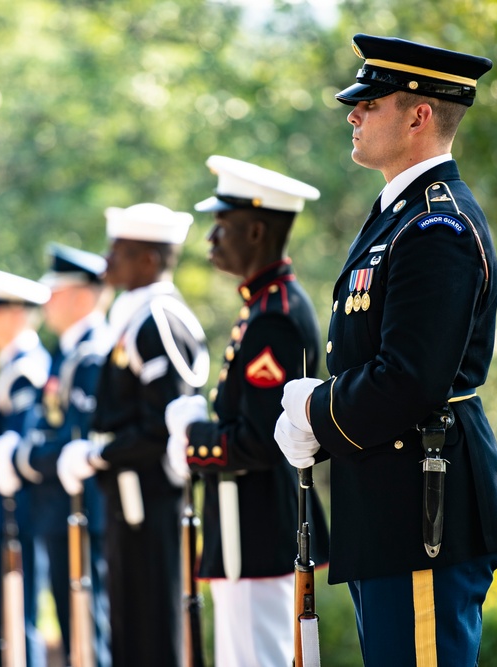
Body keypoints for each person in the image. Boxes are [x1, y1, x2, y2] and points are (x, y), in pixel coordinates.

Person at [274, 34, 497, 665]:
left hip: (422, 512)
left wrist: (316, 410)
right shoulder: (400, 215)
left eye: (371, 103)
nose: (352, 113)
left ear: (419, 116)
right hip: (393, 507)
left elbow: (409, 379)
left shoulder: (436, 226)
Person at [164, 155, 330, 667]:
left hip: (255, 529)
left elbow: (259, 440)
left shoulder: (273, 317)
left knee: (260, 657)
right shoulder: (263, 307)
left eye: (222, 226)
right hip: (245, 525)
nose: (211, 240)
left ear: (256, 231)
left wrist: (193, 436)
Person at [57, 203, 209, 667]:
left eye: (118, 252)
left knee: (153, 626)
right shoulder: (135, 316)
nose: (106, 262)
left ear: (147, 260)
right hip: (128, 496)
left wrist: (98, 455)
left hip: (152, 497)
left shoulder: (157, 320)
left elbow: (162, 425)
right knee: (130, 624)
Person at [0, 244, 113, 667]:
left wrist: (24, 458)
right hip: (60, 510)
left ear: (83, 296)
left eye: (56, 292)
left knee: (90, 632)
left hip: (84, 510)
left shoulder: (92, 352)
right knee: (74, 632)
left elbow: (75, 438)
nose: (47, 302)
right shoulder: (67, 351)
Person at [0, 269, 52, 666]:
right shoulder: (13, 364)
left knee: (20, 614)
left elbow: (17, 445)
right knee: (5, 616)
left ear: (17, 315)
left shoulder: (28, 367)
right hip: (5, 506)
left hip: (22, 507)